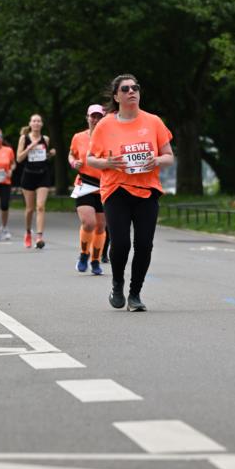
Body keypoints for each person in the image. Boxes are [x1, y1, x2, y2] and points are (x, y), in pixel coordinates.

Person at [87, 74, 174, 312]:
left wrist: (156, 159)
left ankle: (135, 294)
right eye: (125, 89)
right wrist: (108, 163)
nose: (131, 91)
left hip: (147, 190)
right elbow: (90, 159)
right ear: (117, 96)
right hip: (116, 190)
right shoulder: (105, 124)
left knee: (144, 244)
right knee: (121, 243)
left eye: (135, 87)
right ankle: (117, 283)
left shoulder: (153, 121)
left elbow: (169, 156)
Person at [69, 104, 106, 274]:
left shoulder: (109, 138)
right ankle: (84, 254)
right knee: (89, 223)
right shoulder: (78, 137)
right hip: (84, 183)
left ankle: (95, 260)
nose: (95, 119)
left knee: (100, 227)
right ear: (87, 117)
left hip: (105, 185)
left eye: (99, 116)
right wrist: (73, 162)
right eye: (93, 116)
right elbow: (72, 154)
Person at [16, 114, 56, 248]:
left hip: (43, 175)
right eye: (34, 121)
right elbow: (19, 158)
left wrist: (50, 154)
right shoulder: (24, 138)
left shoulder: (45, 139)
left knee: (40, 206)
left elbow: (43, 157)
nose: (36, 123)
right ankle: (28, 232)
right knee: (29, 209)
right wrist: (29, 148)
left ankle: (39, 237)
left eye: (39, 121)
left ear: (41, 124)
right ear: (30, 124)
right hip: (28, 176)